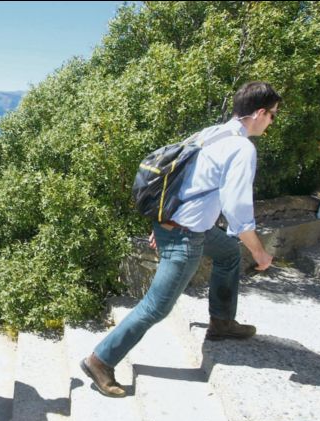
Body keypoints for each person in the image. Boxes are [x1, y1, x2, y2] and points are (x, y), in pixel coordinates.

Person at [81, 81, 282, 398]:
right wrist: (259, 253)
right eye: (272, 115)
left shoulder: (211, 133)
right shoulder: (242, 148)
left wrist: (161, 221)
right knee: (156, 307)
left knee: (229, 251)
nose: (271, 122)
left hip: (183, 226)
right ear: (259, 113)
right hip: (185, 236)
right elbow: (237, 209)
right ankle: (101, 359)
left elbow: (180, 179)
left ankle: (221, 321)